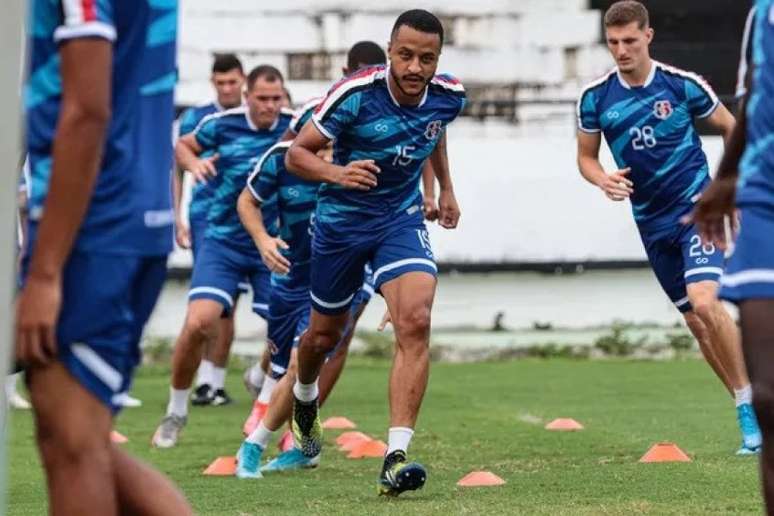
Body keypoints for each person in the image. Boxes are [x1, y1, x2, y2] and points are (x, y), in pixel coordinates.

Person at [16, 1, 191, 514]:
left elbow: (88, 108)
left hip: (94, 225)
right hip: (120, 217)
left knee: (75, 450)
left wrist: (46, 272)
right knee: (74, 440)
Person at [285, 9, 465, 496]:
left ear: (437, 59)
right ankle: (304, 396)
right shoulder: (355, 96)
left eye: (426, 58)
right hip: (341, 225)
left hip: (398, 220)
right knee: (322, 338)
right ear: (389, 51)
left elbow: (435, 127)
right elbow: (295, 154)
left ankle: (395, 456)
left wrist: (445, 188)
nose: (414, 68)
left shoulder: (449, 96)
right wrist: (337, 174)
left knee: (416, 318)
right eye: (405, 55)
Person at [576, 0, 761, 454]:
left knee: (705, 301)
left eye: (630, 41)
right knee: (698, 325)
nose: (621, 50)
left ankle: (752, 412)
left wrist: (727, 185)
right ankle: (745, 403)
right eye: (614, 42)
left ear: (648, 37)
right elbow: (585, 157)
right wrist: (603, 179)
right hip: (651, 225)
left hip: (698, 214)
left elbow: (730, 125)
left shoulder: (681, 86)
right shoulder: (596, 98)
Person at [240, 40, 388, 438]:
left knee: (327, 341)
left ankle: (299, 427)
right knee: (283, 354)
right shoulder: (315, 115)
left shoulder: (391, 118)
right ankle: (271, 394)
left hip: (346, 251)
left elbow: (407, 172)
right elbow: (282, 165)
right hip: (295, 264)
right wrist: (266, 237)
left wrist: (435, 191)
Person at [152, 65, 292, 448]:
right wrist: (194, 163)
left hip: (271, 243)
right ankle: (176, 411)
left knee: (293, 335)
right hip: (223, 241)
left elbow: (325, 152)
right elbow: (182, 146)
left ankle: (273, 407)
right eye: (262, 99)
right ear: (247, 96)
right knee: (200, 322)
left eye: (276, 99)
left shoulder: (295, 128)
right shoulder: (221, 124)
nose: (269, 106)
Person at [691, 0, 774, 509]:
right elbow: (749, 101)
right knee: (769, 398)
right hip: (765, 197)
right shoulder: (761, 15)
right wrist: (724, 180)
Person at [173, 53, 252, 406]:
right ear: (212, 83)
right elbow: (177, 165)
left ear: (243, 80)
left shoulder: (256, 114)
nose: (227, 88)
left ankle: (213, 382)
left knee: (230, 303)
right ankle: (203, 381)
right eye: (220, 83)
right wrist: (177, 216)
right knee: (211, 302)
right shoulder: (196, 117)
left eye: (232, 82)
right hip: (207, 217)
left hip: (248, 217)